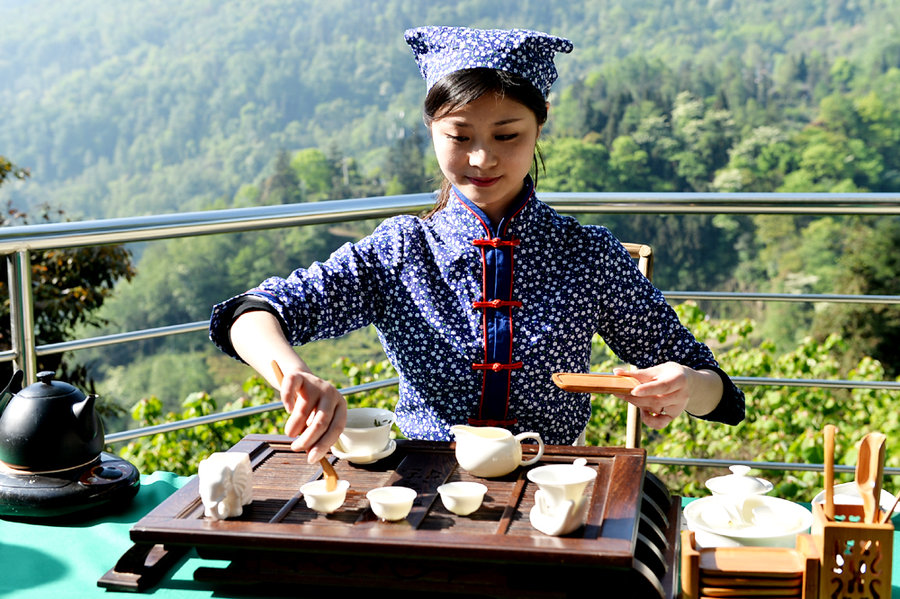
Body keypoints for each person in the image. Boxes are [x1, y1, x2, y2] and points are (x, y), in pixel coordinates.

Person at [209, 26, 745, 464]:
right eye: (460, 137)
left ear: (540, 125)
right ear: (431, 128)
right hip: (422, 493)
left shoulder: (588, 257)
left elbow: (720, 394)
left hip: (552, 490)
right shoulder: (401, 250)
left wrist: (684, 385)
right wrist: (293, 373)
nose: (483, 159)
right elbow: (249, 314)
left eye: (507, 135)